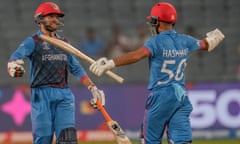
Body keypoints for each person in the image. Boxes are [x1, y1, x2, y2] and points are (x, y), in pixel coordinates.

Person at [89, 2, 225, 144]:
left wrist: (110, 63)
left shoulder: (156, 42)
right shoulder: (186, 40)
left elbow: (137, 55)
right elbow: (206, 44)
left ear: (156, 21)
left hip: (161, 97)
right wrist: (213, 37)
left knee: (150, 141)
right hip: (181, 98)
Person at [7, 2, 105, 144]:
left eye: (57, 16)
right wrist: (13, 66)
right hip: (41, 95)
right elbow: (14, 58)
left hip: (64, 95)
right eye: (50, 16)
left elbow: (76, 68)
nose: (55, 19)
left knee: (68, 139)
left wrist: (92, 87)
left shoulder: (65, 42)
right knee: (43, 139)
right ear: (40, 19)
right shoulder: (33, 41)